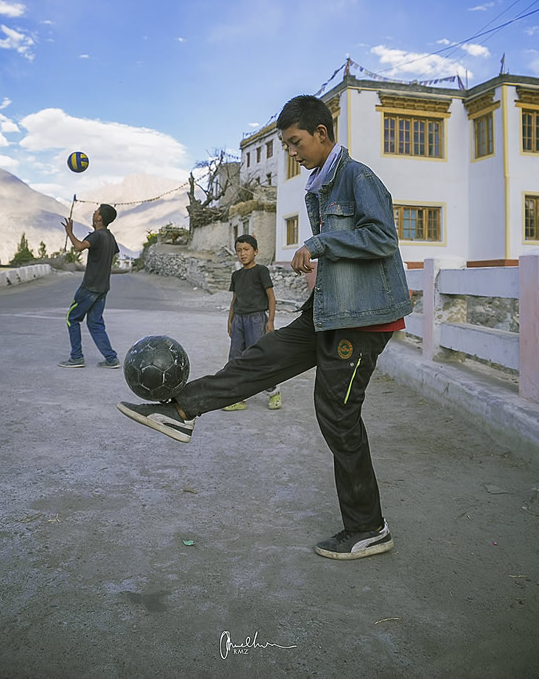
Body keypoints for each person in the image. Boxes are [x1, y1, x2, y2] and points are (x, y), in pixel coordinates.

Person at [117, 95, 412, 560]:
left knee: (337, 414)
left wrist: (319, 243)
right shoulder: (322, 182)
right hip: (330, 310)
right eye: (287, 144)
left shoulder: (357, 177)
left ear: (321, 133)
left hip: (364, 321)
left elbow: (381, 237)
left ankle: (368, 527)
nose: (292, 153)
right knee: (262, 358)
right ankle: (181, 411)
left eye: (295, 142)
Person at [222, 234, 281, 412]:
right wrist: (230, 320)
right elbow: (235, 299)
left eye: (246, 249)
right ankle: (236, 396)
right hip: (239, 319)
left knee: (259, 357)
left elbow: (271, 297)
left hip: (257, 319)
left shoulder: (261, 271)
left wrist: (270, 320)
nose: (242, 254)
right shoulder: (236, 275)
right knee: (235, 357)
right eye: (239, 250)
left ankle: (274, 392)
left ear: (255, 251)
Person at [59, 204, 121, 369]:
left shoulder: (97, 236)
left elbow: (79, 247)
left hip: (89, 287)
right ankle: (111, 358)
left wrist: (69, 233)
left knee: (72, 318)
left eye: (96, 211)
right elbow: (112, 253)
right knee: (95, 323)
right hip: (103, 287)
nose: (94, 212)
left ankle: (76, 357)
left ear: (99, 217)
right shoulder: (110, 237)